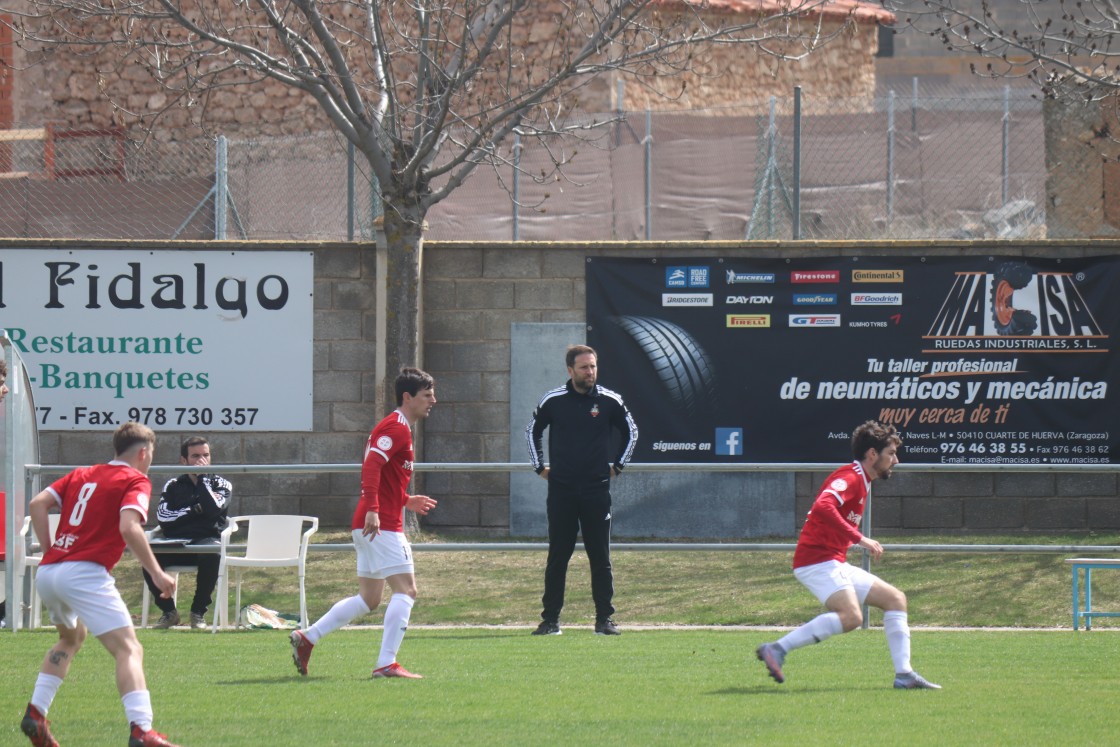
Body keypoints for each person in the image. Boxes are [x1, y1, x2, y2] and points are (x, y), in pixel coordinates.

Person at [20, 421, 182, 747]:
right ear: (143, 452)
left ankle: (36, 713)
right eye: (151, 455)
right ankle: (141, 729)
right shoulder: (135, 479)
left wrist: (52, 550)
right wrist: (156, 573)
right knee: (129, 648)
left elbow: (38, 504)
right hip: (84, 573)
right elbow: (129, 528)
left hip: (51, 572)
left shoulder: (83, 473)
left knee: (71, 638)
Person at [756, 420, 940, 690]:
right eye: (891, 453)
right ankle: (777, 649)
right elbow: (823, 506)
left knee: (895, 600)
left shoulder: (861, 479)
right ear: (872, 454)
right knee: (852, 617)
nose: (896, 460)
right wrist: (860, 538)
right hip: (816, 562)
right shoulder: (851, 478)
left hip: (832, 561)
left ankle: (904, 675)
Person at [289, 367, 438, 679]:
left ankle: (308, 637)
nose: (433, 400)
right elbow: (372, 466)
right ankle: (386, 663)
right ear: (407, 397)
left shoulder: (397, 427)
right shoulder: (396, 427)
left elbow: (385, 475)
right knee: (407, 591)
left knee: (369, 598)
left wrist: (405, 500)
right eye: (427, 395)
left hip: (372, 521)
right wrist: (374, 507)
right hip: (379, 523)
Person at [526, 344, 638, 636]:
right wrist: (540, 467)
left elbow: (632, 432)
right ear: (570, 370)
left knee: (600, 557)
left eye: (593, 366)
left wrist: (618, 466)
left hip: (596, 491)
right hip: (561, 491)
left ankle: (604, 620)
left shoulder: (610, 401)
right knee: (558, 556)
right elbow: (532, 431)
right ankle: (550, 621)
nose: (590, 372)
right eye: (584, 367)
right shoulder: (553, 400)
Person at [141, 436, 232, 629]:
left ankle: (197, 613)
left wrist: (202, 480)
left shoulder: (222, 484)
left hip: (206, 541)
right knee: (148, 557)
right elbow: (164, 518)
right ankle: (168, 612)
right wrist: (196, 510)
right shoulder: (173, 485)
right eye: (196, 456)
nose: (202, 461)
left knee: (212, 555)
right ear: (184, 460)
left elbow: (214, 509)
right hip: (176, 542)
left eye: (206, 455)